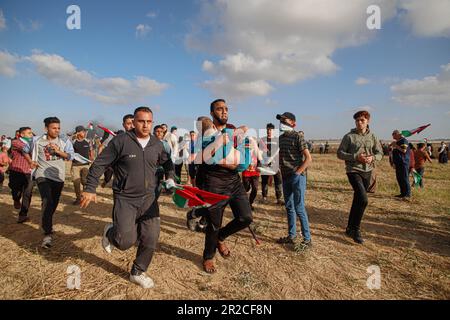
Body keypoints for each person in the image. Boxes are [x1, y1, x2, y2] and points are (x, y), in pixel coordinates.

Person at [81, 106, 175, 289]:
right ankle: (110, 232)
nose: (146, 125)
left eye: (149, 122)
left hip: (149, 198)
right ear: (134, 121)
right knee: (125, 242)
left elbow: (168, 162)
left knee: (151, 236)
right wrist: (90, 187)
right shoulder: (121, 141)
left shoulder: (157, 143)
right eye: (141, 121)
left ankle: (138, 271)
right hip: (126, 198)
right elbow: (99, 163)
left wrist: (170, 177)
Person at [200, 99, 253, 273]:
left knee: (245, 218)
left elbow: (243, 157)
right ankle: (208, 257)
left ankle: (221, 237)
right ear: (212, 113)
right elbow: (207, 157)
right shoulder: (206, 132)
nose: (224, 111)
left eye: (226, 109)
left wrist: (239, 164)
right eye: (219, 109)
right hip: (214, 182)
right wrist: (227, 164)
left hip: (234, 181)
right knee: (214, 223)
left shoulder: (232, 131)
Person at [337, 110, 383, 244]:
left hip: (367, 170)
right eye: (357, 120)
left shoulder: (373, 136)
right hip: (353, 170)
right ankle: (356, 230)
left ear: (368, 121)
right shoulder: (349, 137)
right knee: (363, 199)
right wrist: (355, 157)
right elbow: (340, 153)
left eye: (362, 120)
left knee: (358, 199)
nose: (359, 122)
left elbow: (380, 152)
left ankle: (349, 228)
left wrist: (373, 157)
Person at [30, 117, 75, 248]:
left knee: (53, 204)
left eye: (58, 128)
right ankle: (47, 234)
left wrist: (58, 151)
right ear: (46, 128)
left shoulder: (64, 141)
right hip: (42, 174)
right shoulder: (36, 141)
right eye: (54, 128)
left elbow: (70, 156)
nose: (57, 130)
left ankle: (47, 221)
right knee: (47, 200)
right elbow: (26, 150)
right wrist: (30, 161)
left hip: (58, 177)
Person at [276, 112, 312, 251]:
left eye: (285, 120)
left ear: (293, 123)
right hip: (285, 177)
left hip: (297, 177)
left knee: (299, 207)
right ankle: (291, 236)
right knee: (289, 207)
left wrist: (298, 173)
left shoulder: (298, 136)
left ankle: (307, 239)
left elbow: (308, 158)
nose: (282, 123)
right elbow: (280, 157)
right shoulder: (280, 139)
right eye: (281, 121)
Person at [8, 127, 35, 223]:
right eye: (29, 133)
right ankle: (16, 199)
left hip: (29, 172)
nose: (31, 135)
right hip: (16, 171)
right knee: (16, 191)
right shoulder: (16, 142)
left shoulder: (33, 143)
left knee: (28, 193)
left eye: (31, 133)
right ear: (21, 134)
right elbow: (25, 149)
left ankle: (23, 215)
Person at [259, 123, 283, 205]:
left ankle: (279, 199)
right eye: (267, 129)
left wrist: (278, 163)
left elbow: (279, 152)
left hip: (276, 164)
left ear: (273, 130)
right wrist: (263, 162)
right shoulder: (262, 140)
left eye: (270, 130)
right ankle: (264, 197)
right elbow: (260, 152)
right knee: (264, 181)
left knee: (278, 181)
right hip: (265, 164)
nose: (269, 131)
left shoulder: (277, 140)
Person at [71, 126, 94, 205]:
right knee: (76, 183)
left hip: (86, 165)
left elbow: (91, 150)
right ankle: (78, 198)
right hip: (75, 165)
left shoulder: (88, 141)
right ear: (78, 132)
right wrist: (73, 136)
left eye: (85, 132)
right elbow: (67, 144)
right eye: (83, 132)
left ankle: (84, 195)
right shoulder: (73, 141)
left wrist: (92, 158)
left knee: (84, 181)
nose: (84, 133)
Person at [391, 130, 411, 199]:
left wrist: (395, 145)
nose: (392, 136)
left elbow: (404, 150)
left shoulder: (403, 140)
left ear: (397, 134)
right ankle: (402, 193)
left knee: (405, 178)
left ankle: (407, 194)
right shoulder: (398, 142)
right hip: (398, 162)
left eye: (393, 134)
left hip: (403, 162)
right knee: (399, 178)